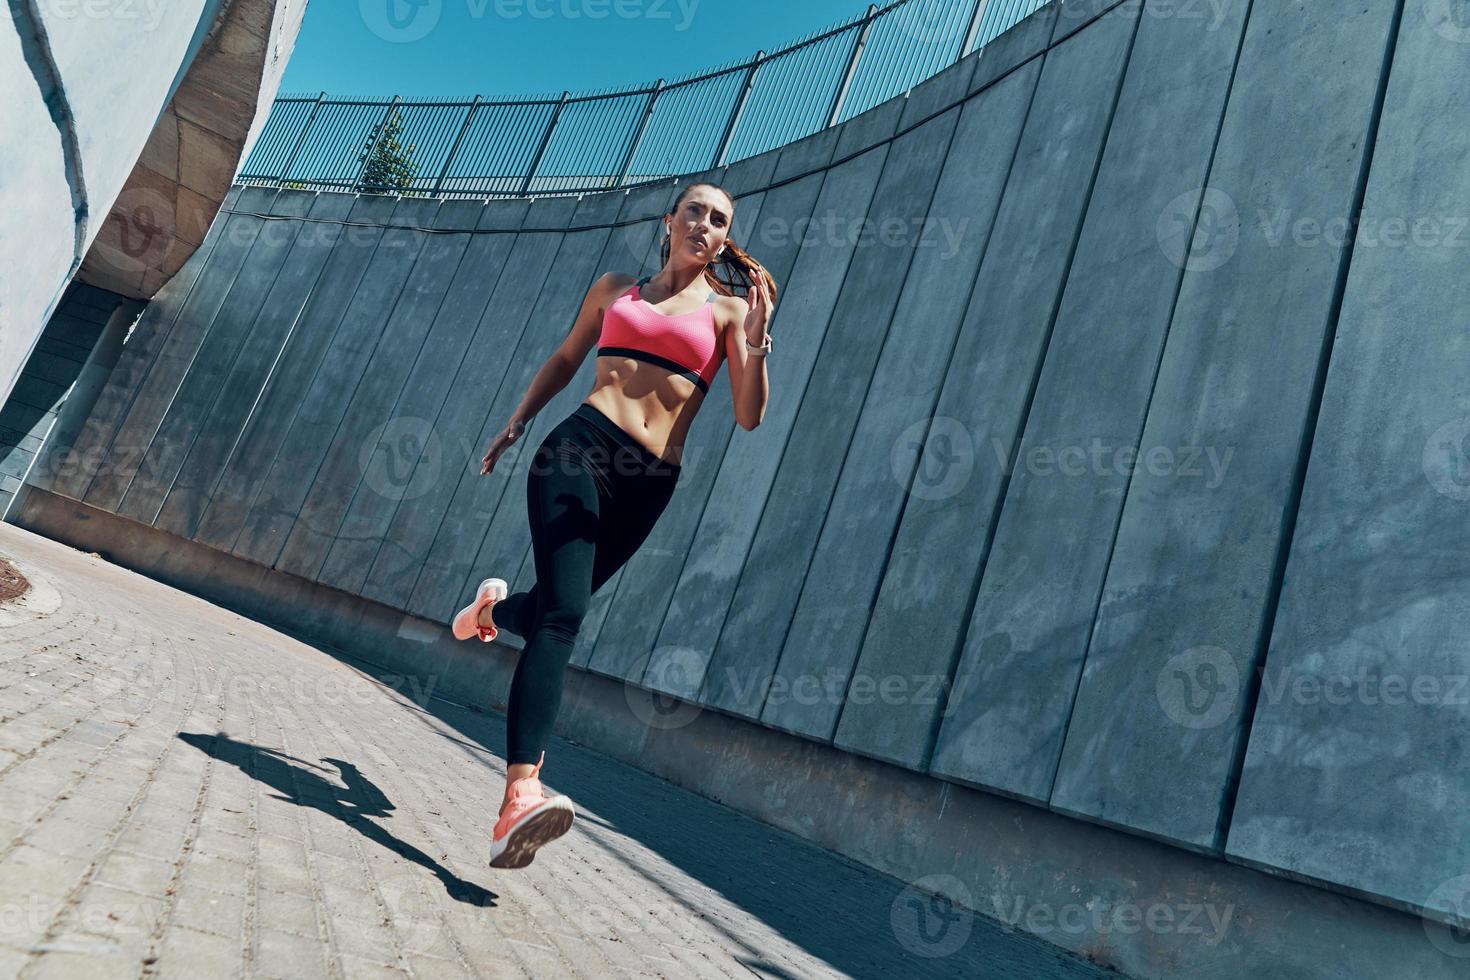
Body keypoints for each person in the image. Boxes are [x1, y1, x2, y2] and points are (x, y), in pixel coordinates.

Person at [450, 182, 778, 868]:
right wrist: (519, 420)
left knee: (549, 609)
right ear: (670, 220)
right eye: (695, 211)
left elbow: (749, 416)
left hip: (649, 482)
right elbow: (569, 356)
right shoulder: (616, 289)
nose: (705, 224)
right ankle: (521, 794)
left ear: (723, 239)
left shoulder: (727, 311)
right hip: (578, 449)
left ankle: (492, 609)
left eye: (719, 220)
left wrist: (757, 342)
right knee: (566, 616)